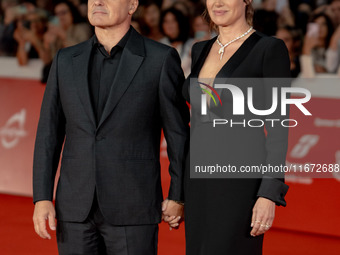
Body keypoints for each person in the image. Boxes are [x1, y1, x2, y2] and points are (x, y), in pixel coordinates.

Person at [32, 0, 189, 254]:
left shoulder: (160, 59)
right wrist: (41, 197)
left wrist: (178, 195)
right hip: (74, 208)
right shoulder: (65, 60)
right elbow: (48, 134)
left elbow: (179, 136)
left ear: (132, 5)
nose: (98, 1)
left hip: (133, 206)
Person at [179, 0, 290, 254]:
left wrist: (269, 193)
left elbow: (278, 126)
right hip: (197, 180)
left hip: (239, 181)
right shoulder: (200, 50)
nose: (217, 2)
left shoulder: (268, 49)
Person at [300, 13, 334, 77]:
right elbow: (307, 74)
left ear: (328, 27)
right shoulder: (308, 47)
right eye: (316, 24)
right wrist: (307, 46)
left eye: (323, 24)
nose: (319, 27)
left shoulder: (333, 47)